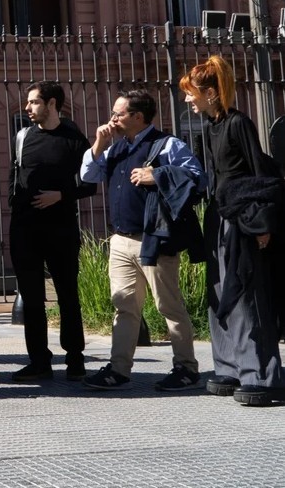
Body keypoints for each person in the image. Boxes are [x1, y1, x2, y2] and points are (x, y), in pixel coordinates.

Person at [79, 90, 205, 392]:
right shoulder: (116, 146)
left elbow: (198, 178)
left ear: (137, 116)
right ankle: (119, 369)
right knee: (123, 306)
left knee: (169, 306)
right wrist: (99, 142)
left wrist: (157, 174)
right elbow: (87, 175)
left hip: (156, 239)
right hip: (121, 240)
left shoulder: (168, 144)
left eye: (118, 113)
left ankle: (186, 368)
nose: (112, 119)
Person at [180, 55, 285, 406]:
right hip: (218, 215)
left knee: (247, 294)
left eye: (191, 93)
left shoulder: (239, 123)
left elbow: (262, 176)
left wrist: (262, 225)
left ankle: (262, 375)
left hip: (242, 217)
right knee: (220, 292)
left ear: (210, 93)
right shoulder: (210, 128)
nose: (187, 99)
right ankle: (229, 366)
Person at [8, 81, 96, 383]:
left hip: (60, 229)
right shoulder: (23, 137)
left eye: (34, 102)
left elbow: (90, 182)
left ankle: (75, 359)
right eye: (29, 102)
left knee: (67, 295)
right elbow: (14, 175)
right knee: (31, 299)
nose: (28, 108)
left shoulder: (73, 138)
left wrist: (60, 195)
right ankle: (39, 362)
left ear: (52, 104)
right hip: (25, 230)